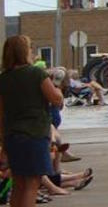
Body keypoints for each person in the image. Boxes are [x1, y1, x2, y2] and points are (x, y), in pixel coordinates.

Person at [0, 35, 66, 207]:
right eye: (29, 48)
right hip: (34, 134)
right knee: (32, 184)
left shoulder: (3, 78)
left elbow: (1, 114)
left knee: (19, 184)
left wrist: (3, 143)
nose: (31, 51)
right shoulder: (36, 73)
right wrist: (57, 87)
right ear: (24, 51)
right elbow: (55, 99)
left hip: (12, 136)